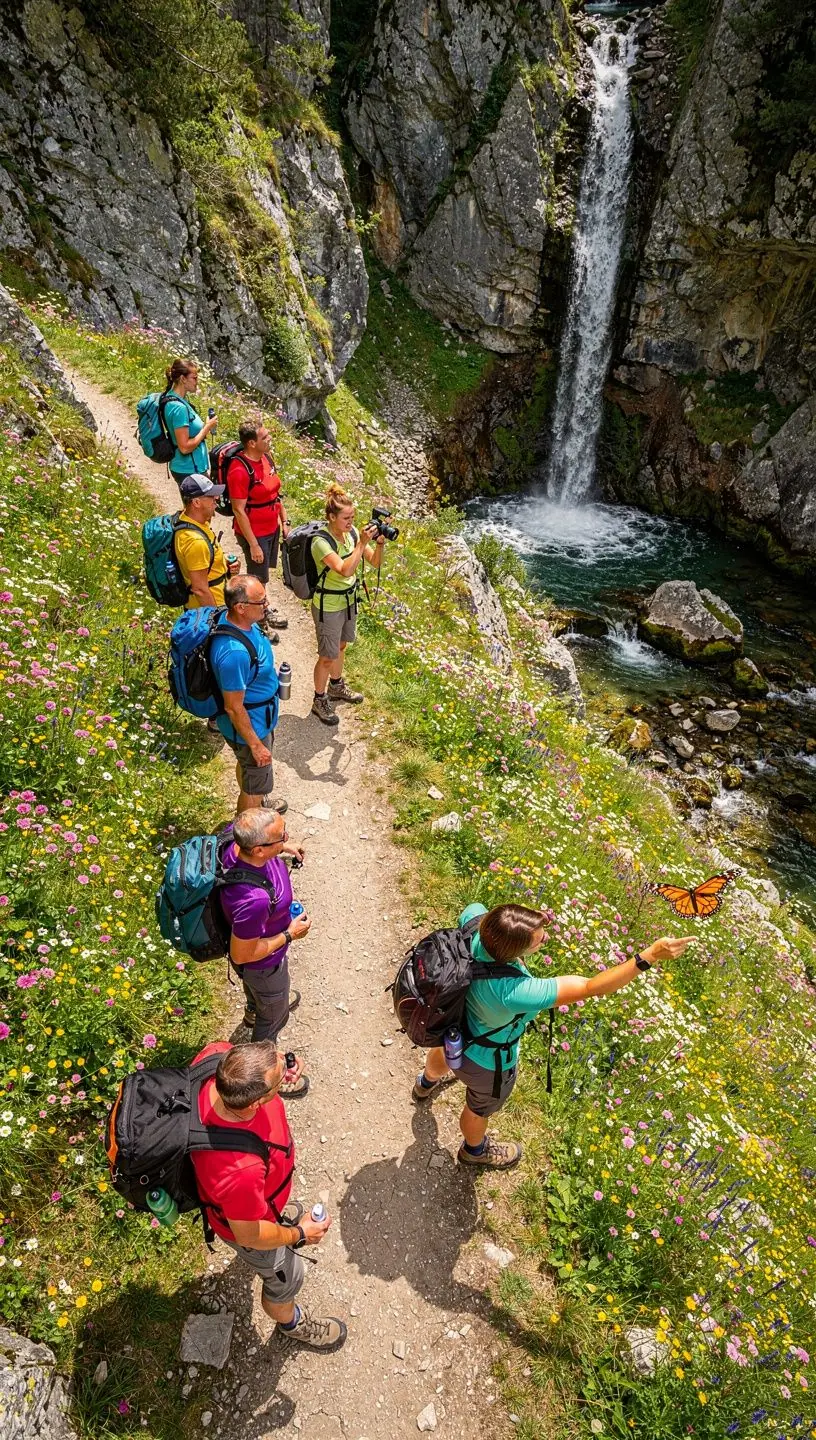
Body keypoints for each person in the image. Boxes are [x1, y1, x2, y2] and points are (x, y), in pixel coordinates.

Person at [413, 902, 694, 1170]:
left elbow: (479, 909)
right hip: (487, 1063)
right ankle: (474, 1151)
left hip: (453, 1031)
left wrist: (521, 920)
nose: (544, 939)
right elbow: (591, 987)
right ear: (512, 952)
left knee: (444, 1053)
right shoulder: (515, 992)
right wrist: (649, 955)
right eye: (537, 941)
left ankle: (425, 1083)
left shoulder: (475, 922)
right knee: (478, 1110)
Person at [189, 1039, 347, 1351]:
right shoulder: (239, 1171)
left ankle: (279, 1217)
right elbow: (248, 1234)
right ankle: (292, 1323)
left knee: (277, 1222)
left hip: (258, 1201)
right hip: (250, 1223)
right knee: (288, 1276)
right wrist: (299, 1234)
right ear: (255, 1103)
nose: (285, 1063)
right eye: (278, 1079)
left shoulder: (218, 1057)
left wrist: (278, 1066)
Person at [222, 809, 310, 1096]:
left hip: (256, 972)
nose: (286, 838)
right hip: (264, 967)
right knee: (273, 1018)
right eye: (281, 837)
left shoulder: (233, 838)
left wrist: (283, 847)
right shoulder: (253, 901)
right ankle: (263, 1079)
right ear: (259, 849)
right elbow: (243, 955)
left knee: (261, 996)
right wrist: (289, 934)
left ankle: (254, 1009)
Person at [310, 482, 386, 727]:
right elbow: (344, 570)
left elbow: (374, 562)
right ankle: (319, 699)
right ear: (332, 517)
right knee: (327, 656)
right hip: (328, 605)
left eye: (352, 517)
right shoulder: (321, 542)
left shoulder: (351, 534)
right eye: (346, 518)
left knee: (341, 646)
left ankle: (336, 685)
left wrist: (379, 544)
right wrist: (362, 543)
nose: (350, 522)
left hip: (348, 599)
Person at [210, 575, 285, 815]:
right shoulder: (234, 654)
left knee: (249, 773)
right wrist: (255, 745)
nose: (267, 605)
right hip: (250, 727)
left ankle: (257, 799)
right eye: (261, 601)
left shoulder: (239, 621)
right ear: (241, 607)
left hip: (259, 718)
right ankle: (246, 830)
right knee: (254, 784)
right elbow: (233, 707)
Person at [227, 418, 289, 632]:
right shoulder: (239, 470)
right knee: (257, 576)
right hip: (255, 532)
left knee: (262, 576)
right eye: (265, 437)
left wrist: (284, 521)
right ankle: (259, 622)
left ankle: (263, 607)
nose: (270, 439)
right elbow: (238, 510)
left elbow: (276, 493)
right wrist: (253, 544)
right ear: (251, 443)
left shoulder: (266, 458)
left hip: (272, 527)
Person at [175, 476, 236, 609]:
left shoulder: (194, 521)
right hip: (211, 607)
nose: (216, 499)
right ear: (196, 502)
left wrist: (223, 562)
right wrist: (215, 617)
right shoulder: (195, 541)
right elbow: (200, 590)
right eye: (211, 496)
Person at [163, 358, 217, 489]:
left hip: (191, 468)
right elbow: (184, 447)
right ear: (183, 379)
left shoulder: (174, 399)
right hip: (189, 469)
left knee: (209, 500)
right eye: (194, 378)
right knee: (207, 502)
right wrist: (207, 428)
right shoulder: (179, 408)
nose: (197, 382)